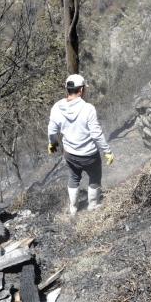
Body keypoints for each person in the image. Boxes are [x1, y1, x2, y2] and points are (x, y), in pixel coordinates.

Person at [47, 74, 114, 215]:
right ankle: (93, 205)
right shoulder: (88, 108)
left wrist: (52, 143)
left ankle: (73, 208)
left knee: (73, 178)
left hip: (70, 154)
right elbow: (96, 134)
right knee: (95, 178)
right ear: (82, 90)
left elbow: (52, 130)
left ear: (67, 89)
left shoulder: (57, 107)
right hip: (89, 154)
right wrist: (107, 151)